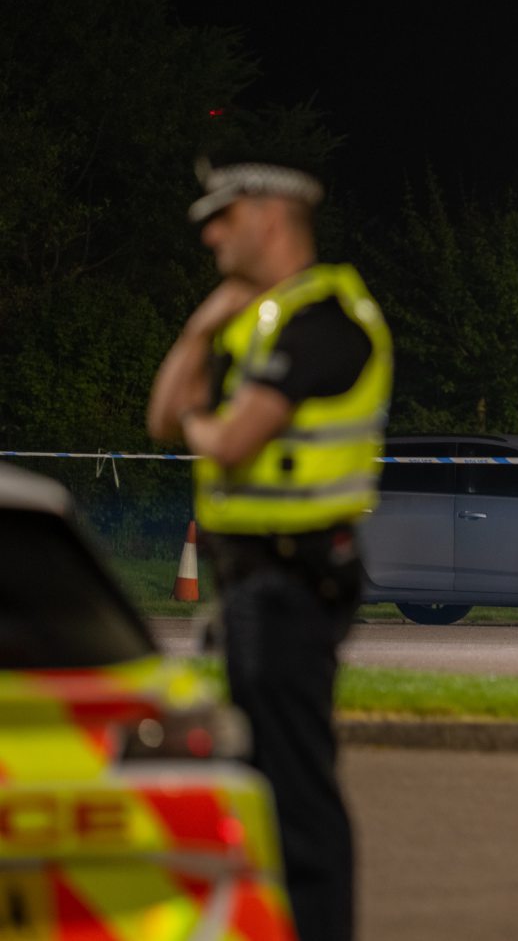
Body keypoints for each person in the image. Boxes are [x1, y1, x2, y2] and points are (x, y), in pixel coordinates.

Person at [147, 155, 392, 941]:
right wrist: (199, 326)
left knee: (296, 796)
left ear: (271, 218)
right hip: (254, 586)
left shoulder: (326, 323)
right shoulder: (259, 326)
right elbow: (163, 415)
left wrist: (200, 425)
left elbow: (228, 437)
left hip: (295, 583)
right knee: (266, 789)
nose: (212, 232)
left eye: (225, 215)